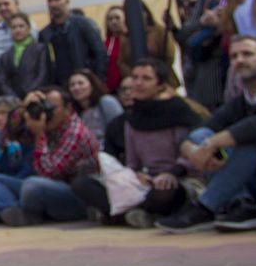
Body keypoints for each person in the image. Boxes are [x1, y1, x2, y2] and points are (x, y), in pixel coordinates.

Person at [159, 36, 256, 233]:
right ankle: (242, 204)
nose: (240, 60)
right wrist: (191, 149)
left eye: (247, 54)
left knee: (249, 141)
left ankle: (206, 207)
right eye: (234, 56)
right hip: (250, 178)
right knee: (201, 136)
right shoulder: (240, 102)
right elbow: (199, 129)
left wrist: (213, 143)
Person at [73, 59, 199, 227]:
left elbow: (189, 155)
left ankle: (128, 215)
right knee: (83, 185)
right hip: (144, 182)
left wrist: (172, 174)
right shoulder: (132, 119)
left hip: (177, 179)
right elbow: (132, 162)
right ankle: (137, 214)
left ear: (160, 84)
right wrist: (138, 175)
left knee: (164, 192)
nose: (138, 83)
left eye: (146, 79)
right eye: (135, 77)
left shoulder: (178, 111)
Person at [0, 86, 98, 225]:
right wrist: (23, 109)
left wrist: (39, 135)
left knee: (32, 184)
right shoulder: (46, 124)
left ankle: (26, 214)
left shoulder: (75, 133)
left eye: (52, 109)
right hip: (46, 189)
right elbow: (5, 138)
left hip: (77, 197)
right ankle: (16, 213)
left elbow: (48, 172)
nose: (47, 114)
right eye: (44, 108)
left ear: (68, 109)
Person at [38, 0, 107, 88]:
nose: (53, 4)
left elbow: (100, 54)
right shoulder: (44, 34)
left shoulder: (84, 24)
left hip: (87, 84)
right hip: (60, 88)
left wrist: (98, 81)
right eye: (49, 1)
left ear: (67, 1)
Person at [0, 11, 51, 101]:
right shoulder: (5, 56)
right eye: (14, 27)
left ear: (29, 28)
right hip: (14, 102)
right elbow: (2, 81)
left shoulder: (40, 49)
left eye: (21, 26)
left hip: (36, 97)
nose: (18, 30)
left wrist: (28, 94)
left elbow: (43, 74)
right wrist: (15, 98)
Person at [66, 70, 123, 148]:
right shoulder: (73, 112)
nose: (76, 88)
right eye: (72, 85)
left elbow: (120, 129)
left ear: (92, 85)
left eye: (80, 83)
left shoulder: (106, 102)